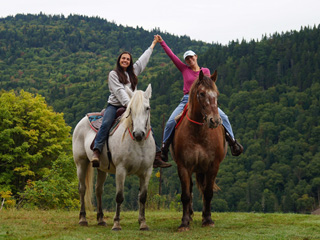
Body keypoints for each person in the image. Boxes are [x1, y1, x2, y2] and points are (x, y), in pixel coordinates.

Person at [156, 35, 243, 161]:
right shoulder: (184, 69)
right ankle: (164, 149)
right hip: (187, 100)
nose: (189, 59)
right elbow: (172, 56)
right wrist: (162, 42)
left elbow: (208, 88)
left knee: (224, 117)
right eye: (187, 58)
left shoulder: (206, 71)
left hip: (204, 100)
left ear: (196, 57)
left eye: (191, 57)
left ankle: (233, 142)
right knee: (171, 121)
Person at [92, 36, 171, 168]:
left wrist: (152, 45)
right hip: (115, 105)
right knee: (106, 123)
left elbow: (142, 61)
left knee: (145, 123)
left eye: (128, 59)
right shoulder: (113, 74)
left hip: (132, 106)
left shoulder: (133, 72)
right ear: (119, 60)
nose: (125, 60)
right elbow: (119, 91)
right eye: (123, 58)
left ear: (130, 62)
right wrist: (131, 105)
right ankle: (97, 151)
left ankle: (156, 155)